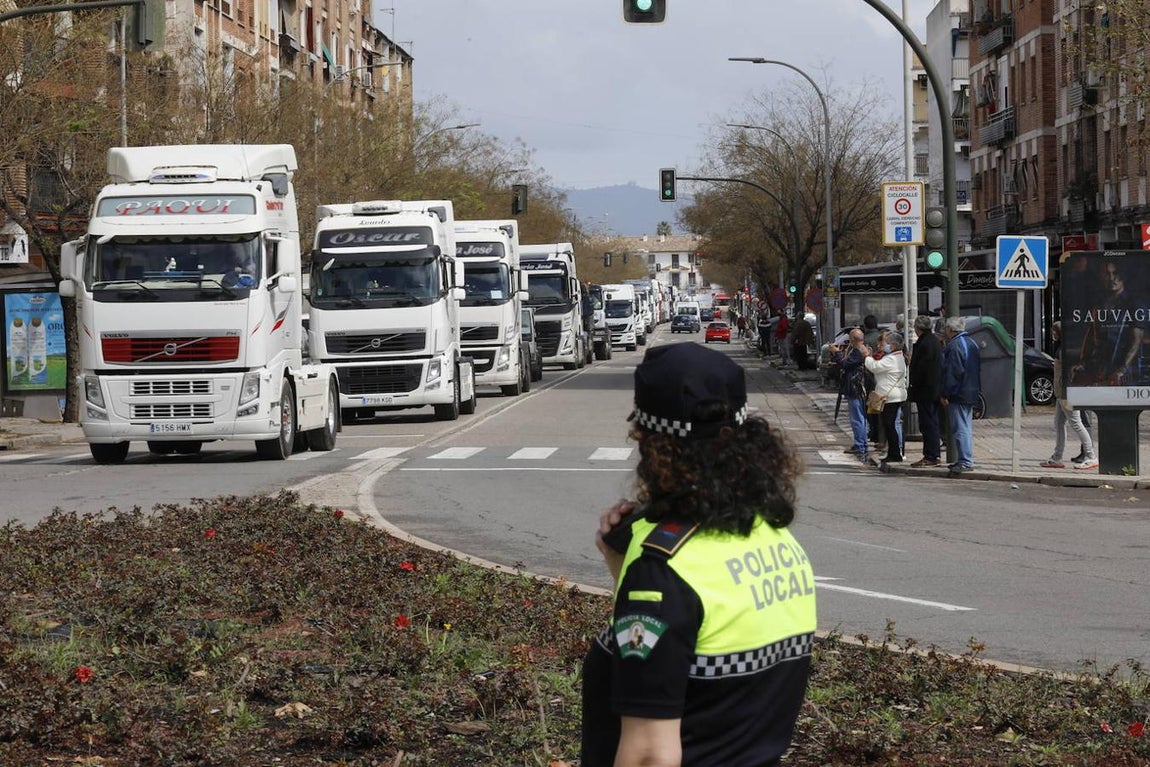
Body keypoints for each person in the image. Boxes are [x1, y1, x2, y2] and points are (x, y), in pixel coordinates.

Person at [581, 343, 816, 767]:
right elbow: (706, 669)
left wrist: (639, 579)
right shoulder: (775, 539)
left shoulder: (663, 572)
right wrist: (620, 569)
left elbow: (651, 753)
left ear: (652, 445)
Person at [1071, 259, 1148, 386]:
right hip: (1098, 369)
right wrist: (1082, 362)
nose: (1111, 278)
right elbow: (1091, 335)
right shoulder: (1099, 303)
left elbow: (1136, 340)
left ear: (1123, 275)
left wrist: (1122, 369)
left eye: (1115, 273)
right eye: (1107, 274)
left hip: (1121, 372)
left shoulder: (1134, 304)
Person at [1042, 321, 1099, 470]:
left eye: (1054, 331)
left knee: (1076, 423)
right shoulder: (1061, 348)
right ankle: (1057, 457)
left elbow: (1068, 372)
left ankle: (1091, 456)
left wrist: (1065, 391)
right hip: (1061, 393)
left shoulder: (1064, 350)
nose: (1053, 334)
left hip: (1066, 394)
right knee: (1059, 423)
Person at [940, 316, 981, 475]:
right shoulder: (972, 343)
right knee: (966, 426)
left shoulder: (955, 345)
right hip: (971, 389)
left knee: (960, 427)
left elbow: (953, 372)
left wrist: (945, 393)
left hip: (959, 392)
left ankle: (965, 460)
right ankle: (965, 458)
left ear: (950, 330)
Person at [864, 331, 908, 467]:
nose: (884, 345)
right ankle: (894, 452)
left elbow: (875, 367)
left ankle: (895, 453)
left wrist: (867, 357)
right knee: (890, 424)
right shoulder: (897, 356)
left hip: (891, 397)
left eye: (887, 343)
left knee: (890, 425)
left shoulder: (892, 359)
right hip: (894, 395)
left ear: (893, 345)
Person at [908, 315, 943, 467]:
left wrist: (914, 384)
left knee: (928, 424)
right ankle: (931, 454)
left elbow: (922, 369)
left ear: (918, 328)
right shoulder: (934, 341)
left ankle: (931, 455)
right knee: (930, 422)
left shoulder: (925, 344)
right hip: (931, 390)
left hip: (927, 391)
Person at [833, 328, 871, 462]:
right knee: (858, 418)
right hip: (856, 388)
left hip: (856, 389)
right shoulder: (860, 349)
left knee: (857, 419)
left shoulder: (858, 351)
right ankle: (860, 443)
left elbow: (845, 364)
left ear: (854, 339)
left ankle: (860, 445)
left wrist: (837, 353)